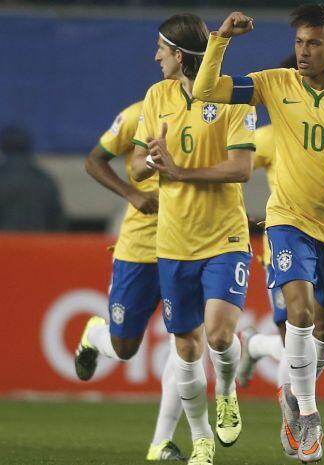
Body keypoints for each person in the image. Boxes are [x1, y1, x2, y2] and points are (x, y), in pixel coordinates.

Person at [192, 4, 324, 462]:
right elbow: (205, 89)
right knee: (300, 310)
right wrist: (222, 38)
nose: (303, 52)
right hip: (288, 220)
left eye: (313, 43)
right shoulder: (275, 83)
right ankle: (308, 416)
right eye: (298, 43)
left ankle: (282, 379)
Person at [129, 14, 257, 465]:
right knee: (185, 348)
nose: (155, 56)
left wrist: (182, 171)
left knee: (220, 337)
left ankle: (226, 388)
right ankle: (201, 439)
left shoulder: (234, 95)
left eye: (161, 49)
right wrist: (153, 159)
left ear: (179, 54)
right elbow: (137, 168)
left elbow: (241, 169)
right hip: (174, 241)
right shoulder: (156, 96)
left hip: (224, 236)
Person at [236, 54, 324, 392]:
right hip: (285, 237)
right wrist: (238, 213)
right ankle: (295, 417)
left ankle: (253, 346)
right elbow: (234, 175)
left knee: (318, 331)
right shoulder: (268, 137)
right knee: (294, 330)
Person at [73, 101, 186, 461]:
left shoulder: (207, 111)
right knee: (124, 348)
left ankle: (160, 443)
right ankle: (94, 335)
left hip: (188, 244)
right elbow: (94, 160)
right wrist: (132, 194)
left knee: (185, 346)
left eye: (163, 49)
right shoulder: (138, 113)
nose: (158, 57)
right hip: (140, 248)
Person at [0, 125, 65, 231]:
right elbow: (58, 221)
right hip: (36, 245)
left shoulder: (2, 177)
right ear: (28, 147)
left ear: (3, 147)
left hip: (3, 245)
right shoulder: (44, 180)